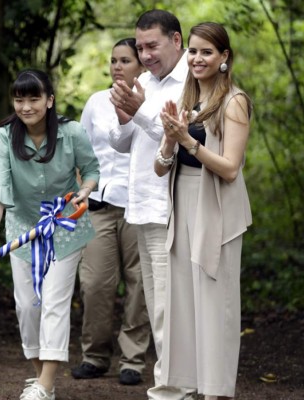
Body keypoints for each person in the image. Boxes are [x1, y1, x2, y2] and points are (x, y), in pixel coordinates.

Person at [0, 69, 99, 400]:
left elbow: (91, 171)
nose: (26, 106)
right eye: (20, 99)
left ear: (49, 100)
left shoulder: (72, 133)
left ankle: (43, 387)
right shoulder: (4, 137)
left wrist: (85, 191)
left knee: (55, 303)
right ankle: (43, 379)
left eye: (34, 98)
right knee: (28, 307)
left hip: (65, 228)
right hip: (23, 230)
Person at [155, 22, 252, 400]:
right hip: (183, 206)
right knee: (186, 305)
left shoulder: (234, 101)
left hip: (217, 209)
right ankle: (192, 386)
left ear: (224, 57)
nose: (197, 58)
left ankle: (217, 392)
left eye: (206, 52)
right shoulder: (186, 101)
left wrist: (188, 144)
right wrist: (168, 140)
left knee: (216, 306)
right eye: (193, 51)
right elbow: (161, 167)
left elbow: (230, 168)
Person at [108, 9, 196, 400]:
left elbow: (179, 136)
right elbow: (121, 142)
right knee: (156, 299)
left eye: (152, 45)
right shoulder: (143, 80)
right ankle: (176, 383)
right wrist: (125, 113)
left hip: (171, 207)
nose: (144, 55)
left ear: (176, 40)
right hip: (141, 204)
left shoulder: (190, 84)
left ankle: (172, 388)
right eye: (139, 46)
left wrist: (140, 111)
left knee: (167, 305)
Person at [70, 38, 150, 386]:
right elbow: (82, 154)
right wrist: (80, 197)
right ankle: (95, 356)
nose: (117, 66)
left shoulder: (155, 99)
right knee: (95, 284)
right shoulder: (96, 102)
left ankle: (133, 360)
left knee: (139, 285)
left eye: (126, 60)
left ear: (142, 65)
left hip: (139, 207)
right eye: (113, 60)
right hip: (98, 207)